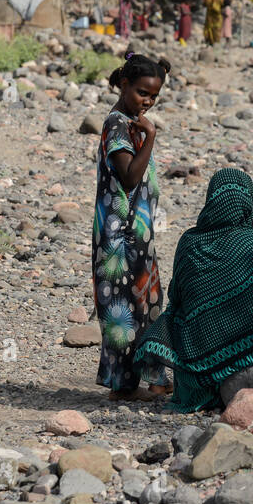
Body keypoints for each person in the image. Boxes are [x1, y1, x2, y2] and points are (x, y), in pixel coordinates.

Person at [136, 168, 253, 412]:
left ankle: (202, 389)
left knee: (174, 313)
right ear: (247, 202)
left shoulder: (190, 241)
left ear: (211, 199)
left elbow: (177, 297)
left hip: (197, 364)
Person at [93, 52, 173, 401]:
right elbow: (127, 178)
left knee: (148, 303)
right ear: (124, 84)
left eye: (153, 96)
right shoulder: (117, 125)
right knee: (120, 309)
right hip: (118, 238)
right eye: (142, 92)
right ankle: (121, 386)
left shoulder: (130, 122)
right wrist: (151, 137)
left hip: (136, 235)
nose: (148, 101)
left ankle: (155, 379)